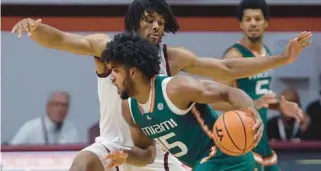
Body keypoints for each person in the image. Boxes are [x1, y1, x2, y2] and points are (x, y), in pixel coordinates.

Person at [11, 0, 311, 171]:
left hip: (159, 152)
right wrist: (34, 28)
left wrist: (281, 60)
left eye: (161, 23)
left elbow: (226, 68)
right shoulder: (107, 49)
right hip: (115, 141)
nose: (156, 27)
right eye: (150, 20)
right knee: (82, 164)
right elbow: (63, 39)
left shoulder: (172, 58)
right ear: (133, 21)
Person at [102, 32, 263, 170]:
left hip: (228, 157)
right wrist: (126, 156)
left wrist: (251, 111)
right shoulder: (129, 110)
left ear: (133, 73)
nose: (112, 78)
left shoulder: (175, 89)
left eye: (116, 71)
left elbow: (229, 92)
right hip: (204, 165)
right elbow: (148, 154)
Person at [213, 0, 311, 171]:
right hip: (242, 141)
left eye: (257, 19)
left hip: (263, 141)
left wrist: (280, 106)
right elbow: (213, 100)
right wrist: (252, 105)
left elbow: (261, 96)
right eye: (247, 19)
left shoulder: (267, 54)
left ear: (266, 23)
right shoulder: (234, 56)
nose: (253, 23)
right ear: (240, 24)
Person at [11, 91, 78, 145]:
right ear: (48, 106)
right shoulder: (31, 127)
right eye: (56, 105)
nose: (60, 109)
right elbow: (10, 153)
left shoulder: (71, 130)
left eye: (64, 105)